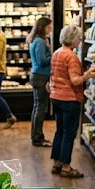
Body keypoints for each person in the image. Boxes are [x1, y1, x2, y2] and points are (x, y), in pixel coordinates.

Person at [50, 25, 95, 178]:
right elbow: (75, 80)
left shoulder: (57, 53)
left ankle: (56, 163)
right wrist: (88, 75)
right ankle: (66, 167)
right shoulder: (71, 57)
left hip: (56, 96)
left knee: (60, 130)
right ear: (73, 39)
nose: (80, 41)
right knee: (69, 133)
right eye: (79, 38)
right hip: (69, 99)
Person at [27, 17, 53, 147]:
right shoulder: (40, 42)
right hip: (41, 76)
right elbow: (42, 60)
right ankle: (37, 138)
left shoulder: (35, 40)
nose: (51, 29)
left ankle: (37, 136)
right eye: (49, 27)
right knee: (40, 108)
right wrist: (53, 55)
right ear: (42, 27)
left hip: (37, 75)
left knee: (38, 107)